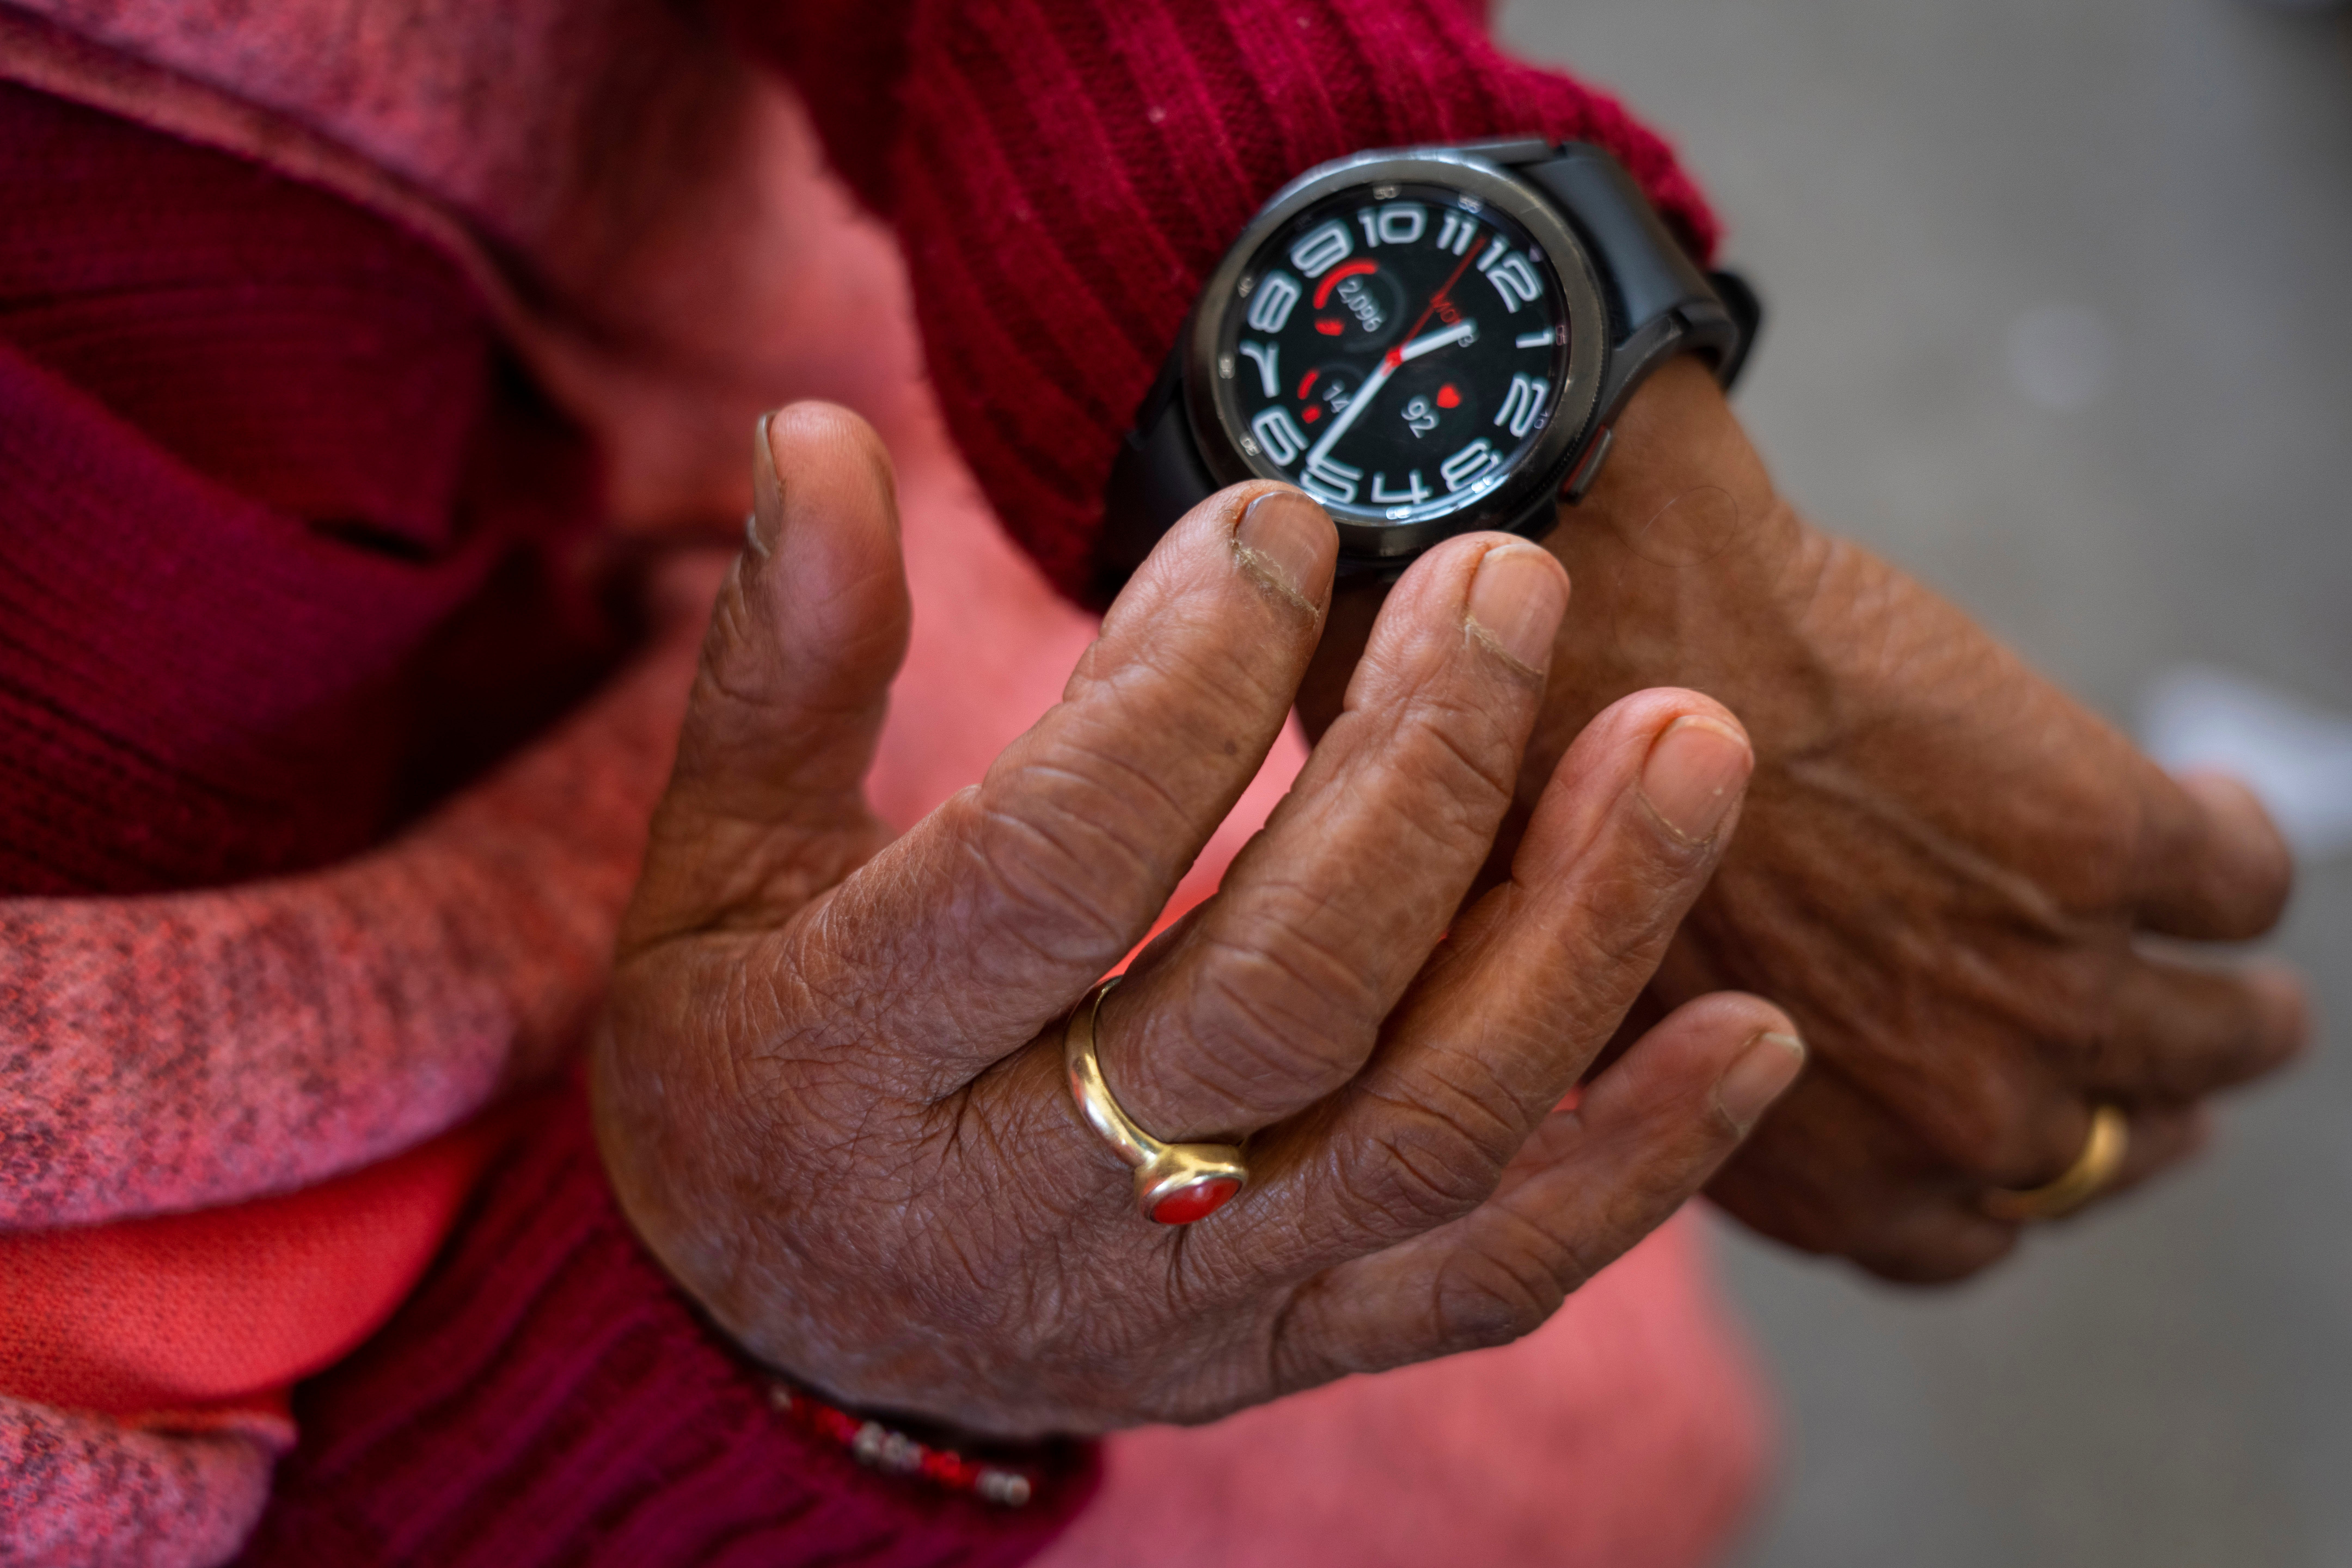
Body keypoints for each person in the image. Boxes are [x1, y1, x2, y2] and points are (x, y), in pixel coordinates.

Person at [0, 1, 2304, 1564]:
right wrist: (770, 1365)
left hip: (988, 518)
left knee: (1611, 1373)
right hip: (555, 1378)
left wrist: (1210, 160)